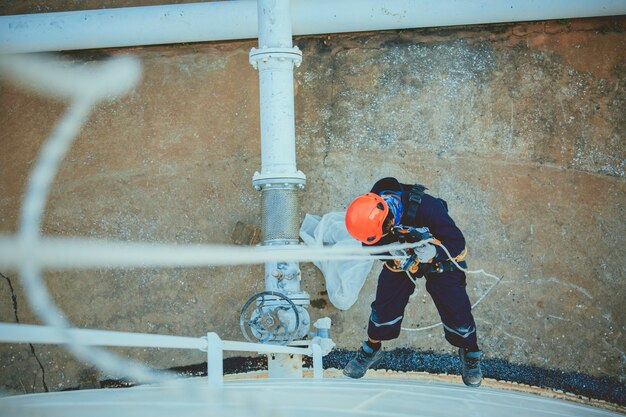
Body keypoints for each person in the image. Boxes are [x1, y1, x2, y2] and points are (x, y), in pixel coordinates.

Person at [342, 177, 482, 387]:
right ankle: (372, 348)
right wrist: (391, 252)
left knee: (457, 308)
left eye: (385, 230)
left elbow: (457, 243)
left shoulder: (429, 207)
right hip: (402, 259)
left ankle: (470, 352)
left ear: (388, 217)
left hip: (437, 257)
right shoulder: (371, 220)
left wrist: (434, 252)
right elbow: (372, 246)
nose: (384, 235)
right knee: (384, 305)